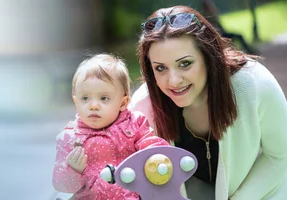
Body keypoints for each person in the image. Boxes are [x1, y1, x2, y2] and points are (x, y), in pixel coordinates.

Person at [129, 5, 287, 200]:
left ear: (208, 56)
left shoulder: (254, 85)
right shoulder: (143, 108)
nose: (173, 80)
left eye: (185, 63)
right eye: (160, 68)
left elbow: (279, 156)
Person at [52, 54, 169, 200]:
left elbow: (151, 145)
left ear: (123, 103)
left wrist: (154, 155)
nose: (93, 105)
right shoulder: (70, 137)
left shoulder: (134, 124)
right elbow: (61, 185)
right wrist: (73, 169)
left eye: (104, 98)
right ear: (76, 101)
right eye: (85, 98)